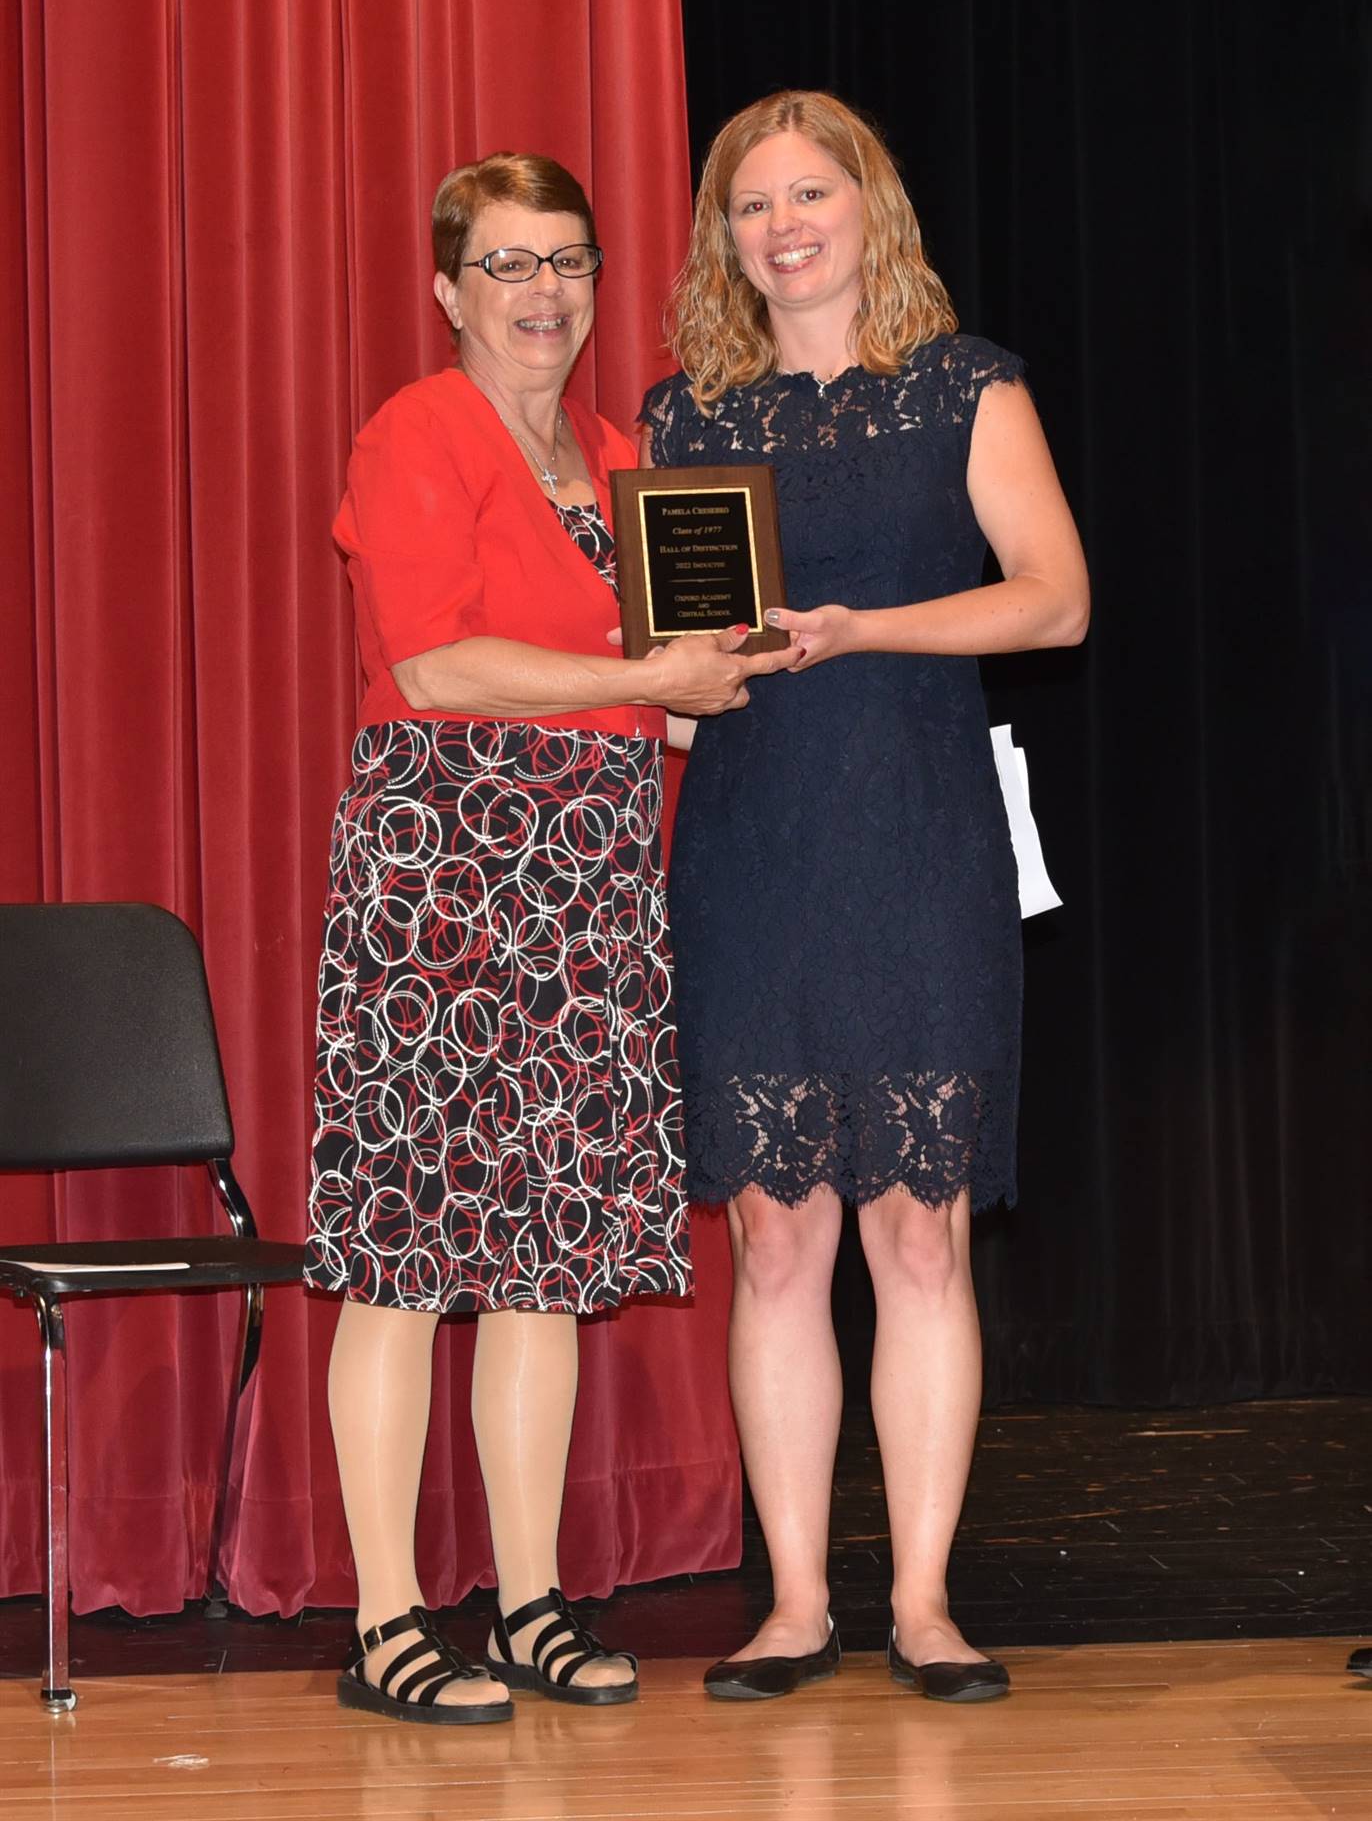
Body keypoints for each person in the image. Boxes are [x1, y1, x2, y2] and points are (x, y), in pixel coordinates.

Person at [304, 150, 798, 1726]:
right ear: (450, 291)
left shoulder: (623, 454)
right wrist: (653, 689)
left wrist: (718, 683)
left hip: (585, 874)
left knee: (544, 1257)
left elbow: (643, 687)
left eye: (568, 261)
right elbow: (436, 667)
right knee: (400, 1255)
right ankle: (387, 1618)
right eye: (508, 265)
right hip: (443, 861)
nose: (545, 293)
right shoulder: (416, 429)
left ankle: (525, 1604)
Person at [640, 91, 1089, 1704]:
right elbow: (684, 696)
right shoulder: (681, 417)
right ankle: (790, 1607)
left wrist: (858, 627)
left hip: (918, 843)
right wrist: (686, 678)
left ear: (867, 207)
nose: (784, 224)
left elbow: (1056, 598)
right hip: (753, 854)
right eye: (753, 204)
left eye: (811, 192)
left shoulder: (967, 384)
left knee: (918, 1235)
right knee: (774, 1244)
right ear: (726, 239)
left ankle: (920, 1604)